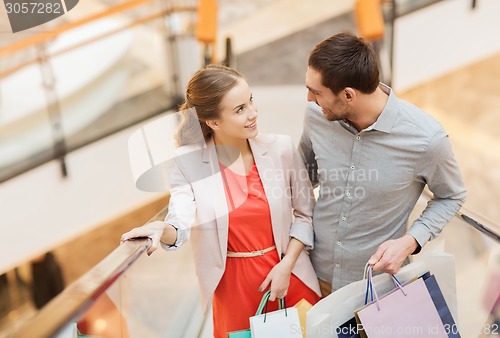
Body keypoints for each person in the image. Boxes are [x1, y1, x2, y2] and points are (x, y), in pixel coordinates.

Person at [121, 65, 321, 337]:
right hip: (234, 291)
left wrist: (286, 266)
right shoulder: (187, 163)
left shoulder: (281, 148)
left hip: (289, 276)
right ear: (213, 122)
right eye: (239, 109)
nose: (253, 113)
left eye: (250, 100)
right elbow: (179, 222)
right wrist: (160, 229)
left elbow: (304, 215)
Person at [300, 32, 467, 297]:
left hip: (376, 290)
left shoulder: (426, 139)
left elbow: (452, 196)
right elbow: (304, 176)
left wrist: (411, 241)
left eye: (316, 92)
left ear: (348, 95)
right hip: (311, 275)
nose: (309, 99)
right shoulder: (317, 116)